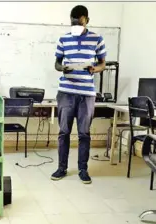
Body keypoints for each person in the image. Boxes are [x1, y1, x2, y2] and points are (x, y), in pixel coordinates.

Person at [51, 5, 106, 184]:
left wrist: (94, 68)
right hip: (66, 92)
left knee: (84, 133)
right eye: (73, 21)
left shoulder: (97, 39)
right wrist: (63, 67)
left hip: (87, 94)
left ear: (86, 20)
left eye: (79, 21)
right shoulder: (63, 39)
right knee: (64, 132)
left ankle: (83, 169)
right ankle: (62, 168)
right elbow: (57, 64)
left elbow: (102, 64)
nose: (75, 24)